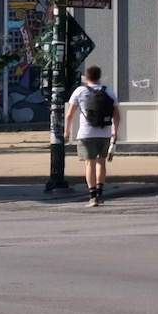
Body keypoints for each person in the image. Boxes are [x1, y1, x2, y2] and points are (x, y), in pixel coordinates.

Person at [64, 64, 121, 207]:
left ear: (86, 77)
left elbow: (70, 114)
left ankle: (92, 196)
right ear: (99, 77)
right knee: (101, 162)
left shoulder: (80, 91)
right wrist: (115, 131)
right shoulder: (108, 91)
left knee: (90, 163)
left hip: (86, 133)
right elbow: (117, 114)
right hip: (105, 132)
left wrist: (67, 131)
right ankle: (100, 193)